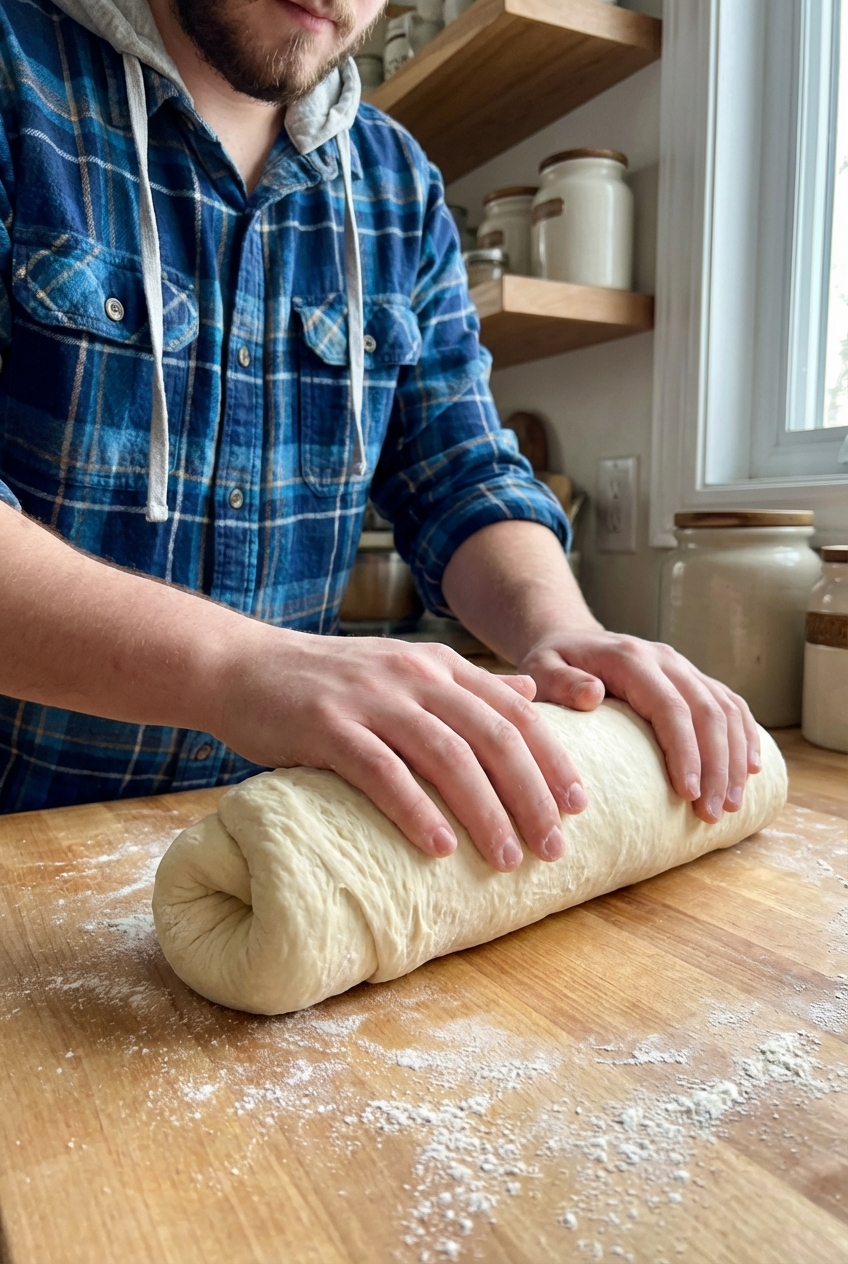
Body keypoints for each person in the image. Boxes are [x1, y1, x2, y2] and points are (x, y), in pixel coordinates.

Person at [0, 0, 760, 871]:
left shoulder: (398, 184)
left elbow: (461, 470)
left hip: (285, 839)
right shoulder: (17, 74)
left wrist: (558, 629)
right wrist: (240, 670)